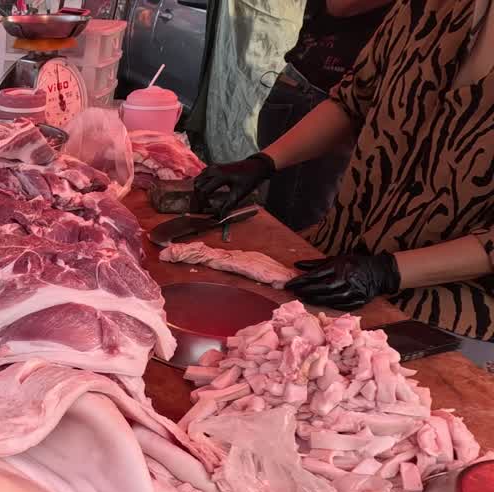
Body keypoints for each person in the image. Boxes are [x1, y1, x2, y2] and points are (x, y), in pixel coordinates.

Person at [195, 0, 494, 347]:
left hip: (446, 312)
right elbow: (352, 101)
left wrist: (388, 271)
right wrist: (264, 162)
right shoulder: (428, 6)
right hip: (335, 257)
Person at [256, 0, 392, 231]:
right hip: (317, 94)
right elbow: (342, 5)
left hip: (360, 102)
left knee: (325, 221)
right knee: (296, 226)